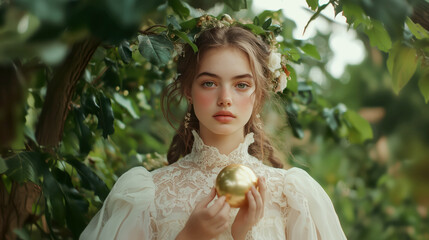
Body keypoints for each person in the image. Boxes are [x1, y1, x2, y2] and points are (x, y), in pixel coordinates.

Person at [80, 24, 347, 240]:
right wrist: (189, 237)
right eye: (209, 83)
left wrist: (241, 235)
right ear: (188, 90)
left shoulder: (293, 196)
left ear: (259, 95)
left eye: (241, 85)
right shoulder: (147, 195)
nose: (225, 98)